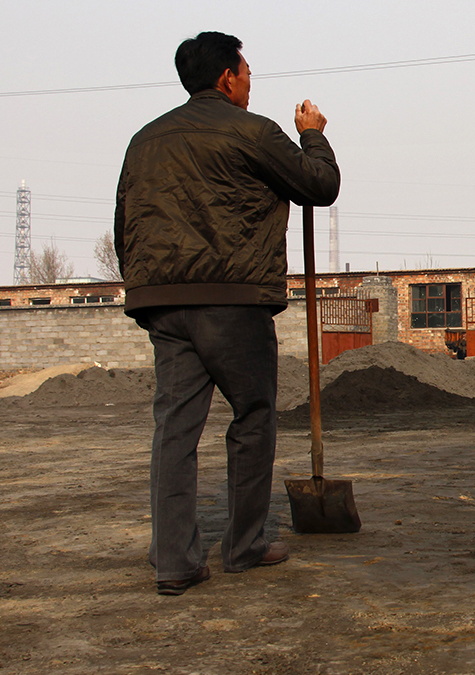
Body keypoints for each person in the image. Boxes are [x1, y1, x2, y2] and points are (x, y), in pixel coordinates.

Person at [114, 31, 340, 595]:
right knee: (254, 416)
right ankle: (243, 546)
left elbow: (124, 225)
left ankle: (174, 561)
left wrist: (146, 287)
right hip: (232, 303)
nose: (248, 81)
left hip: (163, 304)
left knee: (174, 430)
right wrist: (312, 138)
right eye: (245, 72)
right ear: (226, 78)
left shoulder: (144, 140)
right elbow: (319, 186)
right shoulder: (252, 131)